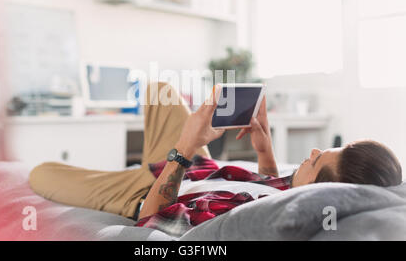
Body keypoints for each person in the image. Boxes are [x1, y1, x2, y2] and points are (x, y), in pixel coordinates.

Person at [29, 82, 403, 236]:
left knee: (42, 173)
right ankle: (170, 148)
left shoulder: (235, 220)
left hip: (153, 186)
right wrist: (264, 149)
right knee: (161, 89)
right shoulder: (290, 189)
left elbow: (151, 218)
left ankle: (127, 171)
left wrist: (185, 148)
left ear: (323, 190)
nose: (315, 151)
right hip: (199, 165)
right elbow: (267, 187)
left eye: (320, 160)